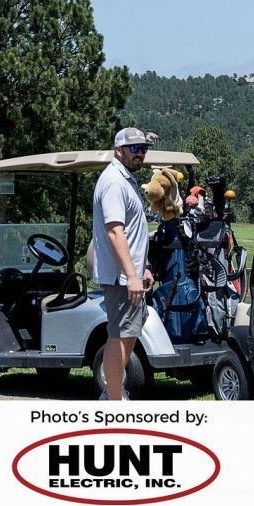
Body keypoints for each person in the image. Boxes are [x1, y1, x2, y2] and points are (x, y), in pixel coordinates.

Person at [92, 127, 154, 401]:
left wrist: (144, 268)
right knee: (119, 335)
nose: (140, 153)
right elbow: (115, 231)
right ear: (118, 150)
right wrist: (131, 275)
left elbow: (133, 231)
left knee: (128, 331)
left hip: (130, 274)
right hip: (121, 278)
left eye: (143, 148)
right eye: (134, 148)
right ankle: (113, 399)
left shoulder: (124, 179)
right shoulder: (115, 182)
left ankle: (112, 394)